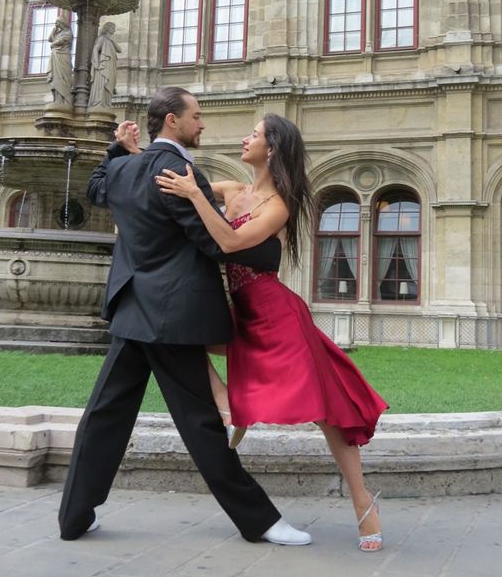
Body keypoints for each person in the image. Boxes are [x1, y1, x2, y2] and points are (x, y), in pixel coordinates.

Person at [58, 87, 311, 547]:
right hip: (171, 317)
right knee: (200, 424)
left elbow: (96, 189)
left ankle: (73, 517)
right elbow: (214, 242)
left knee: (105, 414)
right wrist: (261, 252)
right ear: (172, 121)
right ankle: (260, 521)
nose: (202, 123)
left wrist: (116, 149)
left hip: (133, 308)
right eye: (196, 116)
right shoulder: (179, 172)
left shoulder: (123, 167)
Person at [155, 113, 389, 552]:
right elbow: (175, 180)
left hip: (277, 315)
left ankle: (362, 501)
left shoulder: (279, 205)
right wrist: (135, 153)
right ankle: (226, 401)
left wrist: (195, 195)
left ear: (273, 147)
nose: (245, 139)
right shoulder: (232, 190)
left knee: (327, 411)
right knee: (171, 335)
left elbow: (228, 243)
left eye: (255, 134)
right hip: (239, 313)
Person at [88, 22, 121, 110]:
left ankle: (106, 103)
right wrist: (96, 62)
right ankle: (99, 102)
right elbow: (95, 49)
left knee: (109, 84)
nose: (114, 29)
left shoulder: (110, 41)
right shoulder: (102, 38)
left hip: (110, 67)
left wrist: (112, 40)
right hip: (103, 66)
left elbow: (119, 50)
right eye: (112, 27)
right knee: (102, 83)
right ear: (107, 28)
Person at [47, 16, 73, 105]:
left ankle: (64, 100)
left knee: (63, 78)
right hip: (56, 57)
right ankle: (57, 100)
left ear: (62, 23)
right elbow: (49, 39)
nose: (56, 24)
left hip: (63, 57)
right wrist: (54, 30)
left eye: (57, 22)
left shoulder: (68, 33)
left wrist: (53, 45)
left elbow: (60, 41)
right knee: (56, 77)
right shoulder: (58, 32)